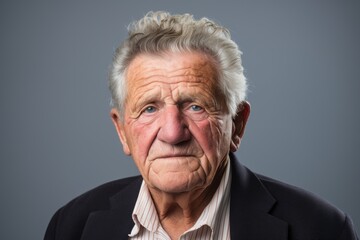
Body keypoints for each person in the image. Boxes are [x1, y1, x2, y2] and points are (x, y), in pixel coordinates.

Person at [44, 11, 358, 240]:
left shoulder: (322, 229)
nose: (172, 133)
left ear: (237, 125)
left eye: (196, 106)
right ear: (122, 131)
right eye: (149, 108)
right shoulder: (72, 226)